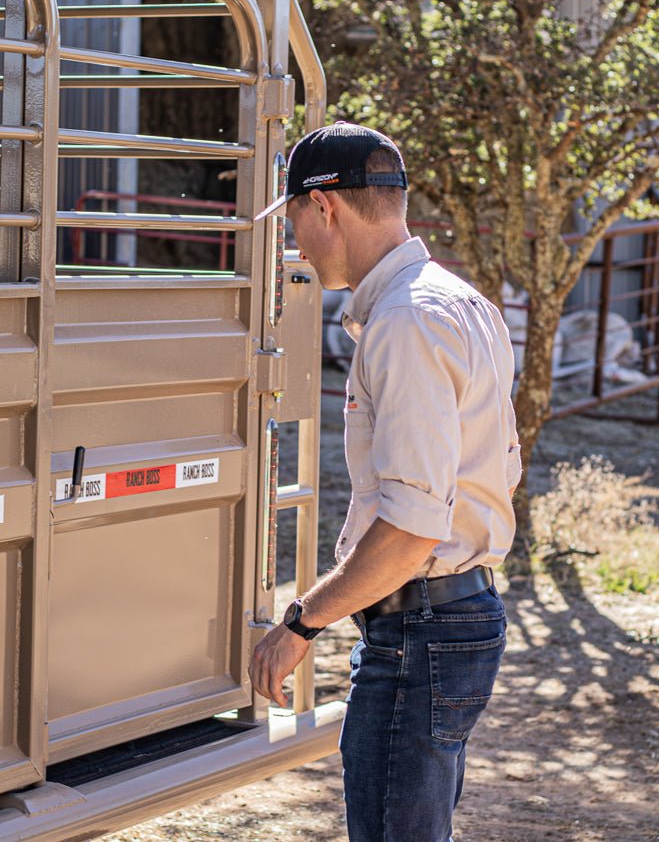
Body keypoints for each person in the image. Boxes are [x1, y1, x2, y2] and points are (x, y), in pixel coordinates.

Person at [248, 123, 521, 842]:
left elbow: (411, 526)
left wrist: (300, 622)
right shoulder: (461, 302)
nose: (298, 245)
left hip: (420, 628)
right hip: (452, 614)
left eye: (295, 220)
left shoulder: (405, 323)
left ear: (325, 206)